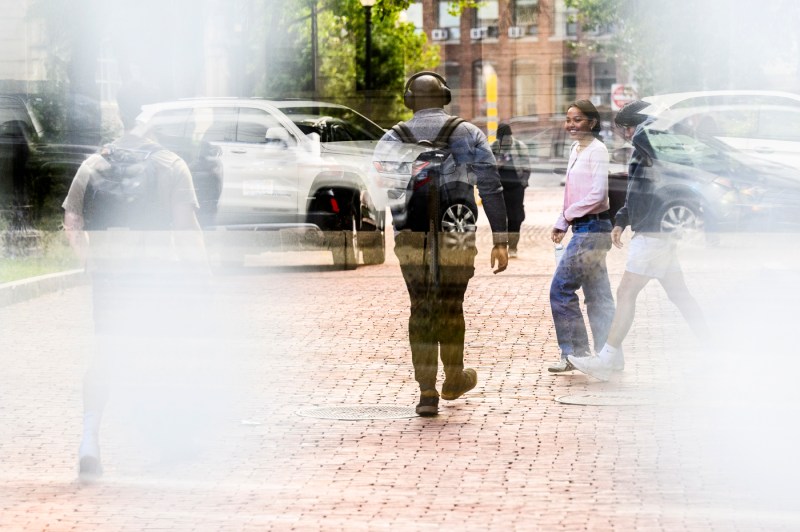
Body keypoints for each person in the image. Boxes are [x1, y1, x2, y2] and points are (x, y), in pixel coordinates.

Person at [63, 82, 209, 480]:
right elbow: (186, 229)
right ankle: (169, 438)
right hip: (157, 276)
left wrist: (92, 262)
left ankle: (89, 438)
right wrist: (202, 274)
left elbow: (72, 223)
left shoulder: (92, 165)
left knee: (105, 356)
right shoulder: (171, 165)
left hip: (111, 277)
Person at [373, 71, 509, 416]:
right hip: (457, 231)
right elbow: (491, 187)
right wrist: (501, 238)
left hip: (411, 233)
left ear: (409, 100)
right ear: (444, 96)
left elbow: (379, 191)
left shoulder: (392, 137)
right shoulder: (468, 133)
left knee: (420, 305)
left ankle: (426, 392)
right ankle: (453, 377)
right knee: (451, 303)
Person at [568, 100, 709, 381]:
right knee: (680, 295)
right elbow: (637, 189)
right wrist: (621, 220)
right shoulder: (651, 143)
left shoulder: (649, 138)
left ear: (627, 128)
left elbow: (663, 170)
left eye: (622, 130)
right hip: (658, 230)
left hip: (653, 232)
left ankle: (608, 358)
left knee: (626, 293)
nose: (623, 136)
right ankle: (715, 350)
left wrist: (650, 123)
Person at [548, 99, 615, 373]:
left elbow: (598, 195)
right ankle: (607, 355)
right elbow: (571, 192)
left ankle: (575, 354)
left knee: (561, 289)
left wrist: (566, 216)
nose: (571, 125)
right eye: (568, 120)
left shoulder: (598, 151)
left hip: (592, 230)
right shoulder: (576, 149)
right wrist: (562, 219)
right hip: (585, 228)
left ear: (592, 122)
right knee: (598, 296)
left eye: (577, 120)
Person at [491, 122, 531, 257]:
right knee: (500, 218)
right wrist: (500, 162)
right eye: (502, 139)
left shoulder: (520, 147)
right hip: (499, 189)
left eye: (507, 138)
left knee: (516, 217)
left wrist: (523, 183)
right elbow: (488, 169)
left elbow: (527, 167)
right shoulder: (493, 148)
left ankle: (513, 247)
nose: (505, 141)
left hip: (516, 189)